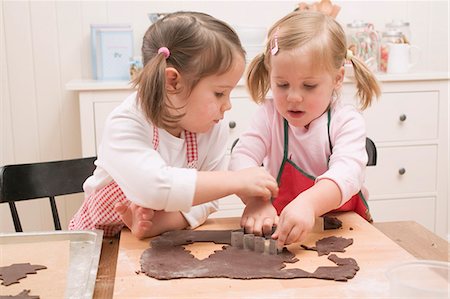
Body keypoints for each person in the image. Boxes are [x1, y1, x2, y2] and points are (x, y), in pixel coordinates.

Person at [69, 11, 278, 239]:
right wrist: (236, 180)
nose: (227, 105)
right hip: (99, 244)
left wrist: (158, 224)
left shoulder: (211, 126)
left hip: (153, 241)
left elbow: (209, 199)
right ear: (172, 82)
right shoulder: (127, 122)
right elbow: (155, 188)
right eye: (219, 93)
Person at [229, 11, 380, 249]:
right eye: (282, 84)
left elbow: (347, 172)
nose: (294, 97)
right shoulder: (269, 116)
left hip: (346, 232)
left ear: (337, 78)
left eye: (309, 86)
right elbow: (242, 157)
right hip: (284, 233)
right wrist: (256, 200)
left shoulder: (346, 121)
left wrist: (309, 204)